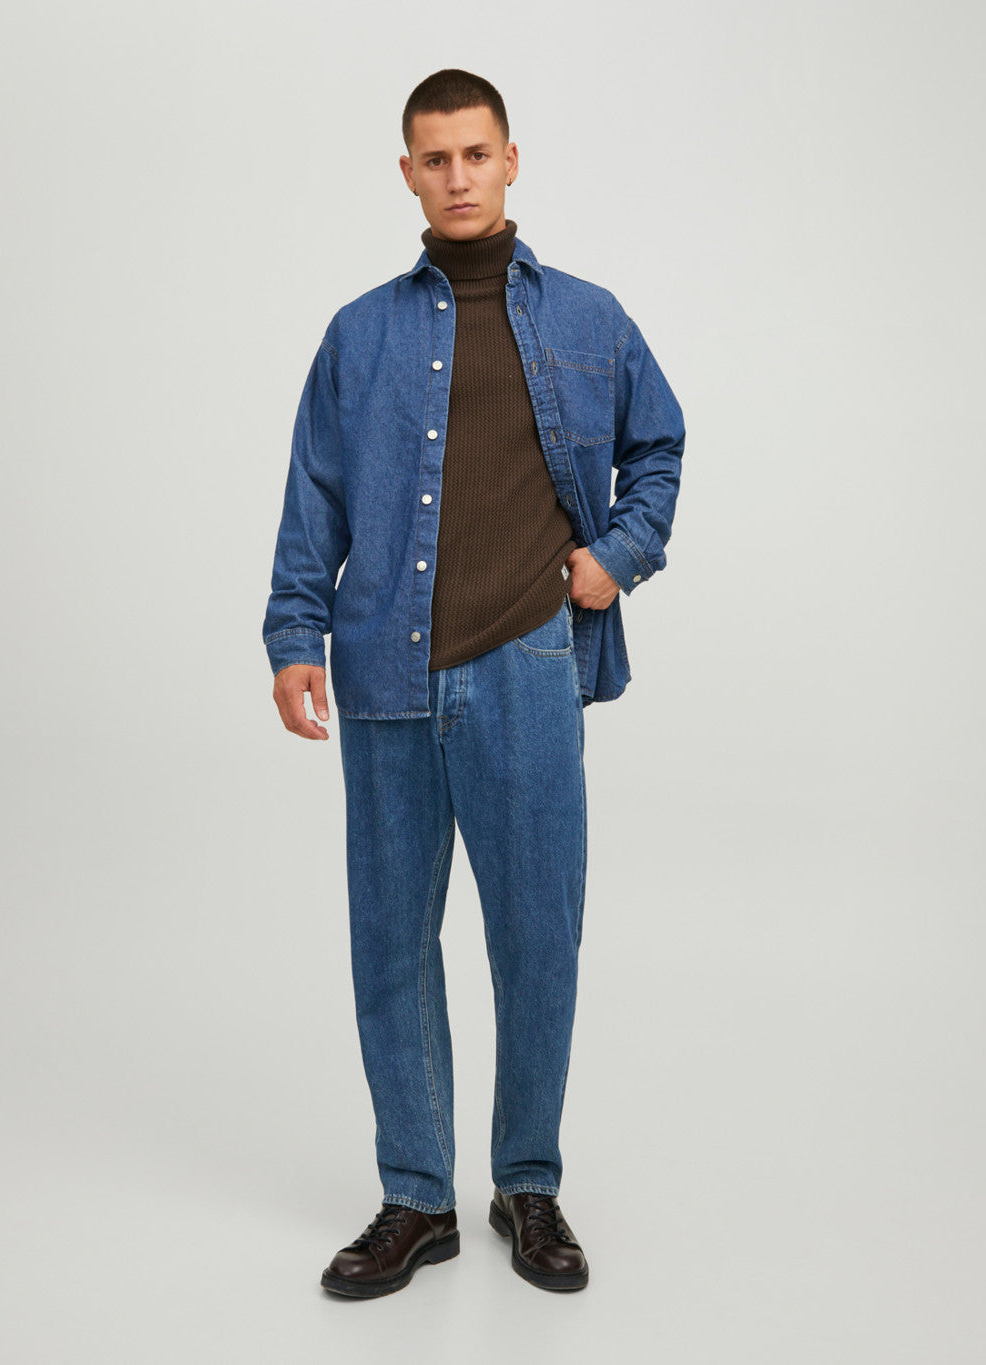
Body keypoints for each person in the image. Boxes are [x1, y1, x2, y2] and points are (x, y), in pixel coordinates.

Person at [263, 68, 685, 1298]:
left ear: (510, 159)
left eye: (475, 154)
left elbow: (659, 445)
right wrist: (293, 635)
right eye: (434, 159)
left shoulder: (590, 318)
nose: (457, 177)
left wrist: (616, 556)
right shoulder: (359, 334)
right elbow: (313, 497)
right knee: (391, 944)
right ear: (408, 174)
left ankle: (526, 1183)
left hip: (528, 668)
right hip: (384, 679)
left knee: (536, 938)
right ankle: (415, 1198)